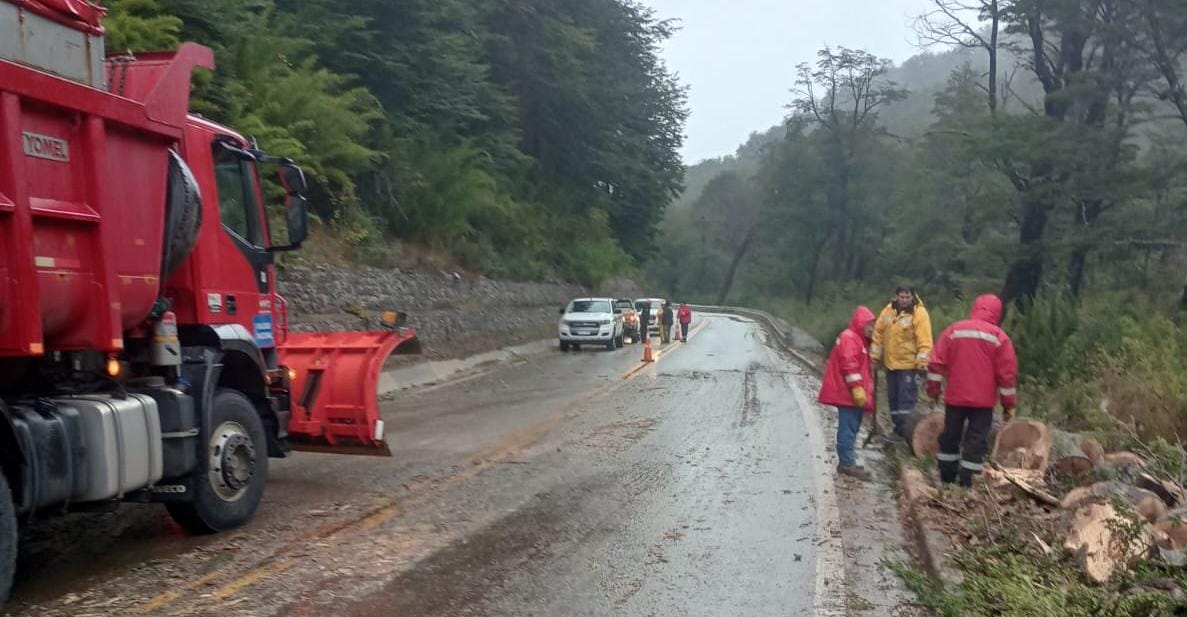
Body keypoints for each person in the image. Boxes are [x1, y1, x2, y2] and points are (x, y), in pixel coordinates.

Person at [926, 294, 1018, 488]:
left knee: (950, 436)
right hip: (983, 403)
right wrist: (1008, 405)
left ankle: (946, 479)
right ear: (997, 313)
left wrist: (933, 391)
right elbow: (1006, 377)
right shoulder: (999, 338)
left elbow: (936, 364)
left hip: (955, 398)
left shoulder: (954, 331)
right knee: (976, 441)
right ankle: (967, 483)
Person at [818, 306, 877, 481]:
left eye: (873, 326)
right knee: (848, 428)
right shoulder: (850, 338)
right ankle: (846, 463)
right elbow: (849, 365)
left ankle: (847, 460)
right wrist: (857, 388)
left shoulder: (857, 340)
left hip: (851, 394)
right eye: (869, 326)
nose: (872, 329)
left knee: (852, 427)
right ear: (861, 324)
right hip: (848, 394)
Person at [871, 286, 934, 442]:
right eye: (902, 297)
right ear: (896, 296)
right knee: (893, 398)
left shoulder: (919, 314)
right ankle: (897, 429)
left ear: (912, 297)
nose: (904, 300)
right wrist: (874, 357)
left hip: (908, 366)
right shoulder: (888, 311)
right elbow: (878, 333)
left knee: (905, 400)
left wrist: (922, 364)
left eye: (907, 297)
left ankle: (904, 431)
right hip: (891, 364)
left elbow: (924, 341)